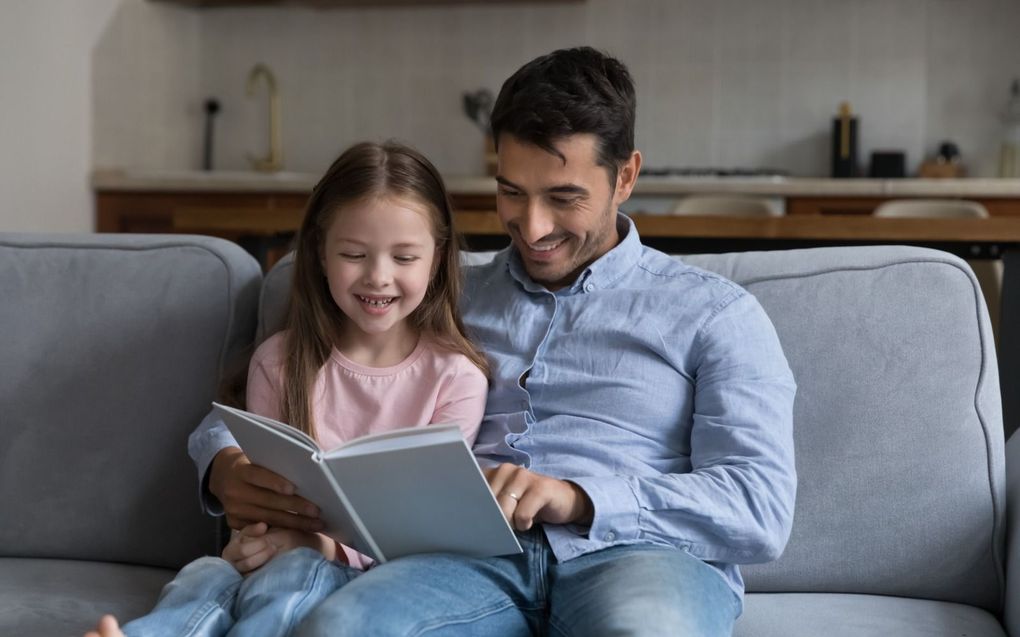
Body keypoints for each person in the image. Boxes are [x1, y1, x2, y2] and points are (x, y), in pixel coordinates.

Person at [194, 46, 797, 636]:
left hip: (638, 556)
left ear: (626, 177)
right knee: (342, 623)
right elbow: (300, 367)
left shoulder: (715, 313)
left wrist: (580, 499)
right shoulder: (440, 290)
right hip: (465, 560)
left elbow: (758, 505)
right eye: (512, 192)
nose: (533, 228)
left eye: (564, 197)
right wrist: (223, 465)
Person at [84, 141, 490, 637]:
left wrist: (318, 546)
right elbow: (263, 490)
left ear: (437, 256)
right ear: (320, 253)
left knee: (294, 576)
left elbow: (420, 534)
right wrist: (254, 540)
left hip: (361, 577)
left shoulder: (456, 378)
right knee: (209, 573)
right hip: (275, 551)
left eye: (404, 256)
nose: (378, 276)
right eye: (353, 254)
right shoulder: (280, 360)